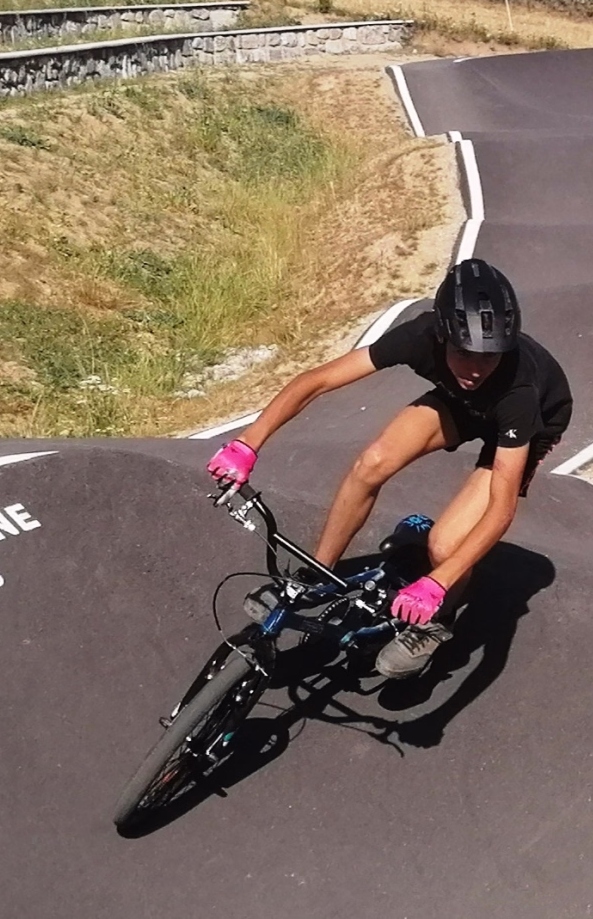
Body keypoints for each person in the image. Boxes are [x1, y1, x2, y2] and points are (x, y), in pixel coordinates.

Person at [205, 259, 572, 679]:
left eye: (488, 358)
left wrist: (437, 582)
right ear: (441, 334)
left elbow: (500, 509)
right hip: (464, 405)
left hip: (523, 425)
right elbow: (317, 381)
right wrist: (247, 443)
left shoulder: (518, 391)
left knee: (444, 547)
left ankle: (437, 622)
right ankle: (314, 576)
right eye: (464, 353)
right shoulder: (419, 336)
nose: (475, 368)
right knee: (371, 463)